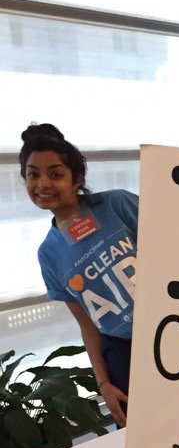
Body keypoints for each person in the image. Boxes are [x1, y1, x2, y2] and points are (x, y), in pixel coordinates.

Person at [19, 124, 137, 427]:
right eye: (33, 174)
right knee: (142, 445)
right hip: (122, 353)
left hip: (175, 331)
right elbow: (87, 325)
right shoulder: (49, 254)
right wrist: (104, 385)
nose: (43, 183)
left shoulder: (118, 205)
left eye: (55, 174)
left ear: (77, 178)